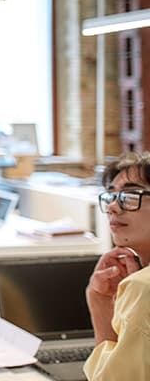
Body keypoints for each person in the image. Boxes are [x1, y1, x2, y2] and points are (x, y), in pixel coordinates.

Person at [84, 151, 150, 380]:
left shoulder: (142, 287)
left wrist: (100, 305)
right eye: (111, 195)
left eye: (131, 195)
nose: (112, 207)